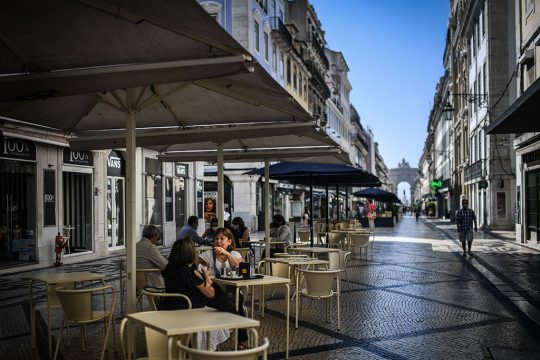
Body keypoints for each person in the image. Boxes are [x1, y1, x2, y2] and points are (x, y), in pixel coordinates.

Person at [161, 236, 230, 350]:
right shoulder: (189, 273)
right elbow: (210, 293)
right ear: (190, 253)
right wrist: (206, 276)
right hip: (190, 311)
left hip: (170, 308)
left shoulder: (169, 268)